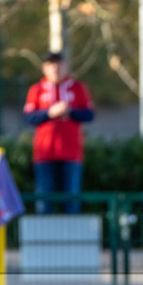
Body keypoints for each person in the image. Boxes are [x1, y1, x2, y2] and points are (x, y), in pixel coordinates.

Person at [23, 50, 95, 214]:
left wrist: (69, 112)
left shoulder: (77, 88)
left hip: (71, 152)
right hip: (44, 153)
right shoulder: (37, 89)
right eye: (51, 64)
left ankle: (71, 237)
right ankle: (45, 238)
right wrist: (50, 113)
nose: (55, 68)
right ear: (44, 68)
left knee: (71, 198)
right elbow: (29, 117)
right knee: (44, 198)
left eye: (59, 64)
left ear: (65, 66)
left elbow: (89, 114)